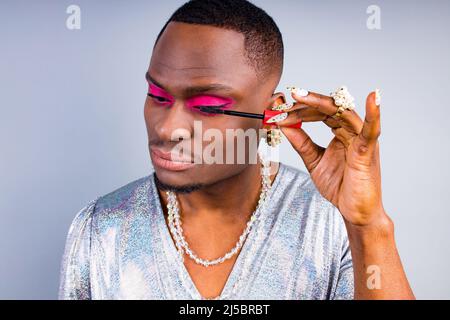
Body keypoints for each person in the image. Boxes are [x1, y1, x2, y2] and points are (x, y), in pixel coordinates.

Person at [59, 0, 414, 300]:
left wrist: (367, 225)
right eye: (157, 96)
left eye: (208, 107)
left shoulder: (330, 223)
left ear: (270, 114)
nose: (167, 129)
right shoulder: (101, 230)